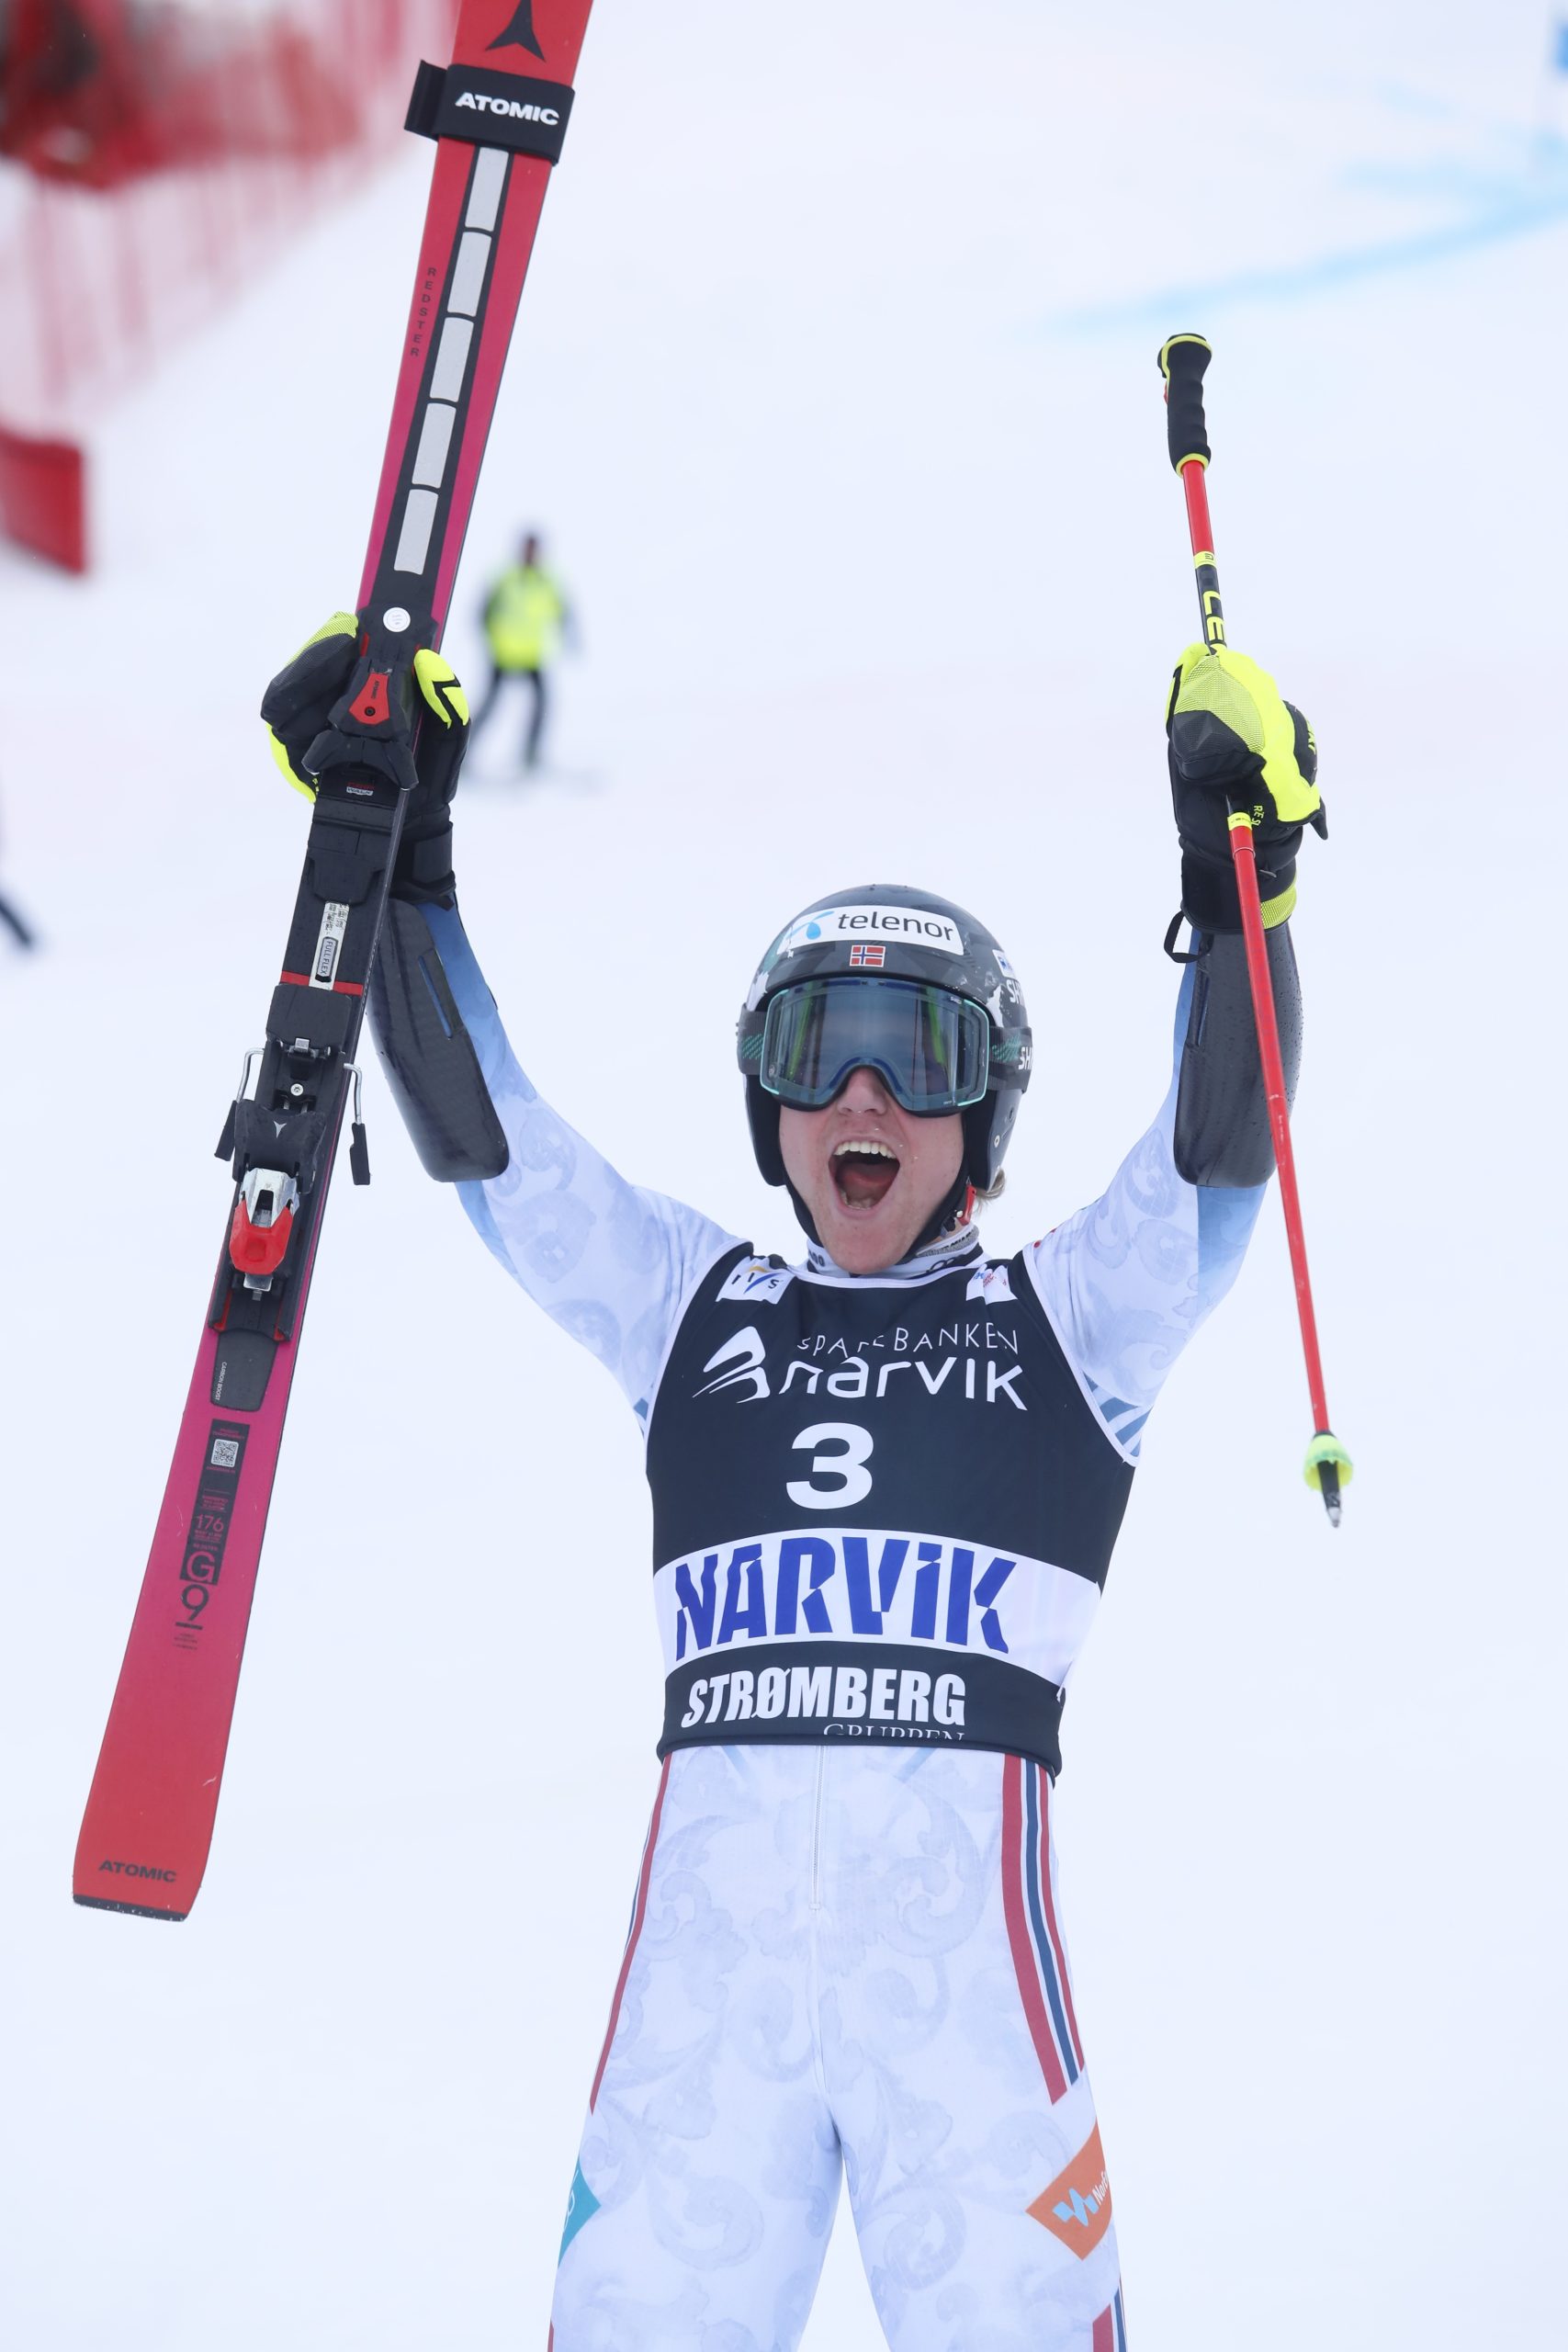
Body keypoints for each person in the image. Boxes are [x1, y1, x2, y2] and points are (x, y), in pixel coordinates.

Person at [264, 624, 1325, 2351]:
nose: (863, 1096)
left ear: (984, 1109)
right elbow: (487, 1142)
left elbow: (1218, 1151)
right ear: (764, 1100)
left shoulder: (1071, 1323)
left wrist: (1244, 886)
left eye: (918, 1055)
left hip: (969, 2045)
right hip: (706, 2023)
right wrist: (403, 865)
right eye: (820, 1047)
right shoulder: (690, 1308)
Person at [471, 529, 574, 773]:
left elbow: (563, 612)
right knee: (488, 708)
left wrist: (570, 637)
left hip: (532, 657)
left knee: (542, 706)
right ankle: (462, 755)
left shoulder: (548, 581)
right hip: (503, 655)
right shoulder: (505, 579)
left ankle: (530, 756)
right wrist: (491, 640)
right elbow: (483, 612)